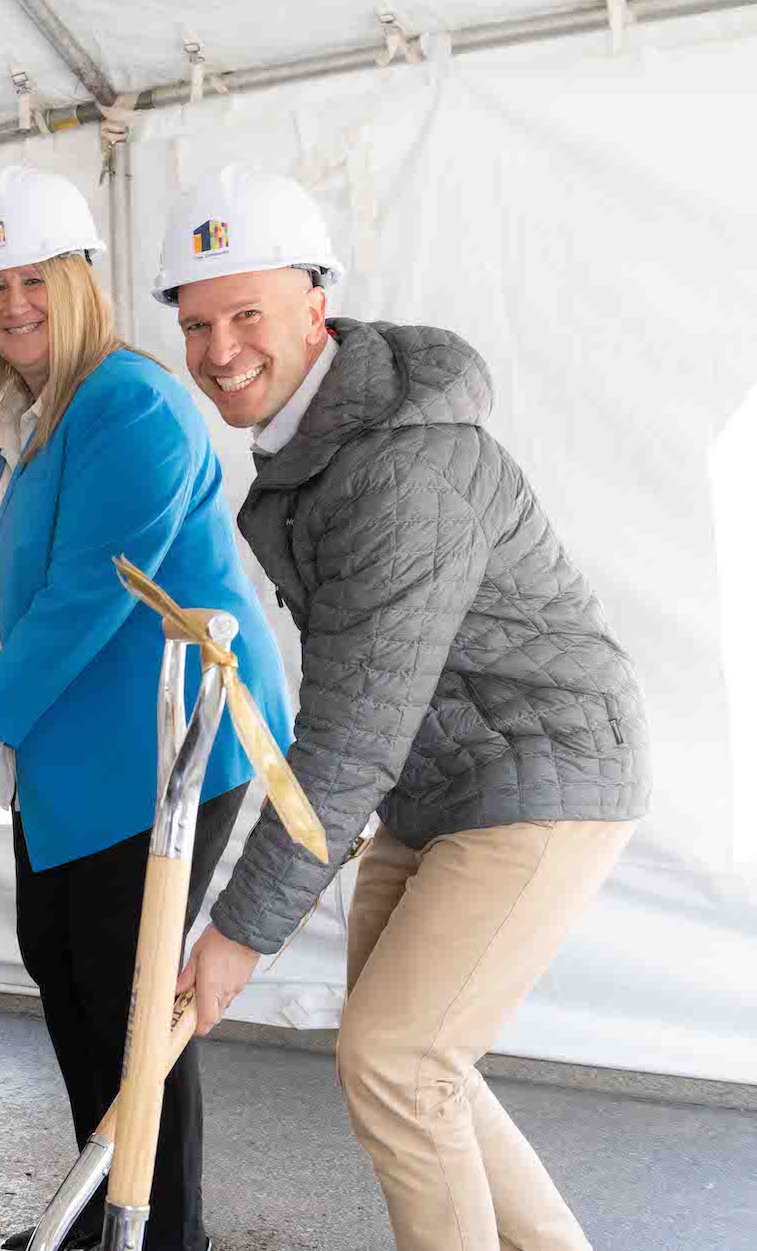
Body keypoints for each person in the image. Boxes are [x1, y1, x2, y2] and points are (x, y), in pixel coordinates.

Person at [158, 164, 649, 1251]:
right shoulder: (311, 450)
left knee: (395, 1058)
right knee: (421, 1059)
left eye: (247, 313)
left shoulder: (399, 473)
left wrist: (240, 930)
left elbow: (349, 729)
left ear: (312, 303)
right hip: (440, 780)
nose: (219, 348)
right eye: (195, 323)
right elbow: (360, 707)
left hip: (542, 766)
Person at [0, 165, 293, 1251]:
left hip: (165, 737)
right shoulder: (30, 416)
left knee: (128, 1009)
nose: (13, 303)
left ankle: (157, 1234)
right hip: (77, 736)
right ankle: (97, 1215)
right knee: (65, 970)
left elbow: (90, 590)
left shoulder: (128, 399)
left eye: (34, 278)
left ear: (78, 282)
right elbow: (17, 586)